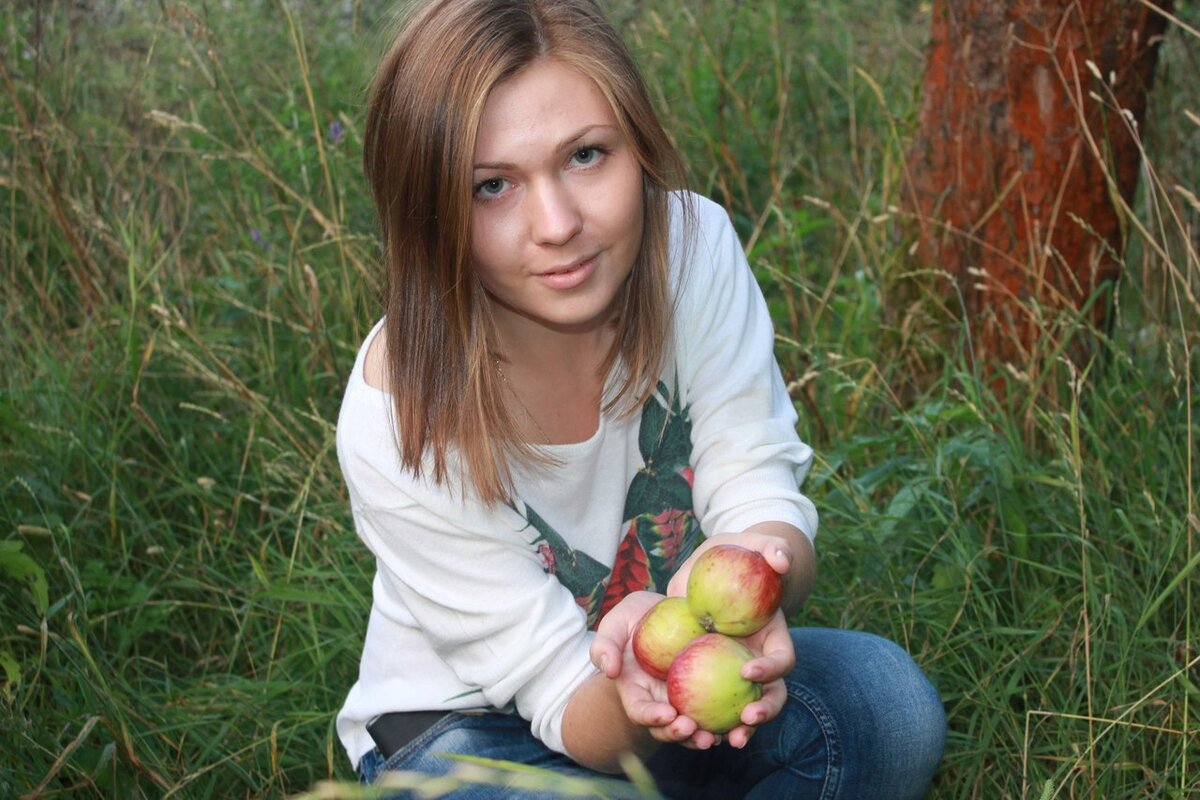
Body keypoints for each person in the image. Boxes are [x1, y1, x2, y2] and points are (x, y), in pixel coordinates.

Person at [334, 0, 947, 797]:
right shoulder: (398, 414)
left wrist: (762, 574)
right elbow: (562, 698)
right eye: (492, 186)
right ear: (427, 212)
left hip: (680, 667)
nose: (558, 224)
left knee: (888, 706)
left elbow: (755, 481)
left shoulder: (691, 252)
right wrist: (641, 691)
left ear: (639, 145)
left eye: (587, 155)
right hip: (469, 728)